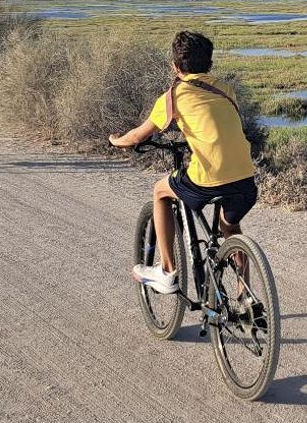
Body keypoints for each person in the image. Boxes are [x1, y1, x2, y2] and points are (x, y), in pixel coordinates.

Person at [109, 31, 258, 294]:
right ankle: (245, 295)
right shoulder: (226, 89)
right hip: (246, 179)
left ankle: (166, 270)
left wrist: (117, 141)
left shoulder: (174, 95)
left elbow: (140, 135)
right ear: (209, 63)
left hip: (207, 178)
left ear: (175, 66)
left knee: (160, 192)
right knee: (230, 227)